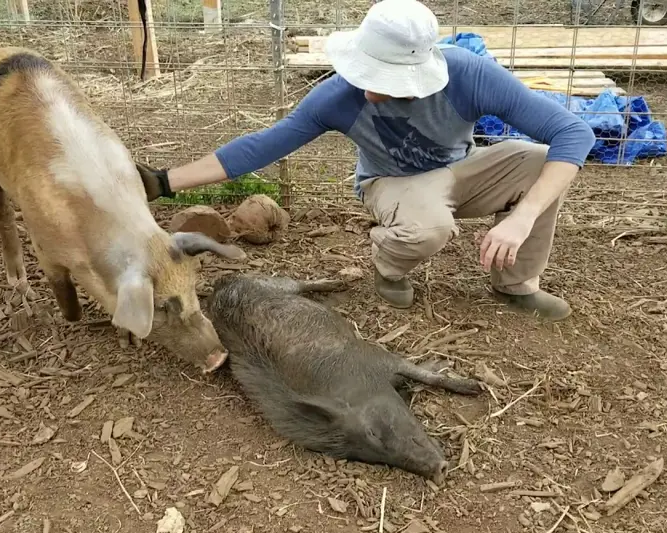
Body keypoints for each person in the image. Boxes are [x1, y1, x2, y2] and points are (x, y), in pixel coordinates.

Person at [147, 0, 596, 321]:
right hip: (392, 181)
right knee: (429, 228)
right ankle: (389, 261)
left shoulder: (469, 74)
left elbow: (574, 133)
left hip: (464, 167)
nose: (367, 88)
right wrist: (165, 181)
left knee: (542, 161)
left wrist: (523, 217)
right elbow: (261, 146)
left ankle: (517, 285)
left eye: (384, 78)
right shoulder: (337, 97)